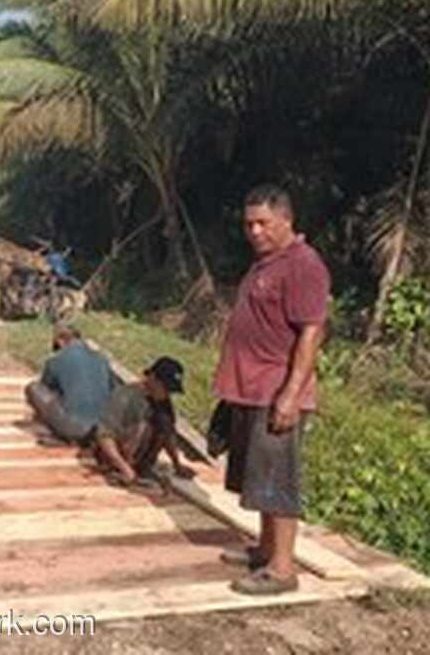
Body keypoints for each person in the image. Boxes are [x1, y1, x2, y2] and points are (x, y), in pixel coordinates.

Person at [213, 184, 330, 597]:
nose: (255, 231)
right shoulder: (265, 264)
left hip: (275, 392)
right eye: (249, 224)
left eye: (263, 223)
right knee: (257, 476)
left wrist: (290, 394)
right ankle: (265, 550)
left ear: (286, 220)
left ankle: (282, 570)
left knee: (278, 481)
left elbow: (312, 333)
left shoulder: (303, 264)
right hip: (250, 390)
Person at [93, 356, 195, 487]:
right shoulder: (125, 396)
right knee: (143, 424)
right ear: (152, 378)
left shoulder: (163, 402)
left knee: (162, 420)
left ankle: (141, 466)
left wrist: (177, 464)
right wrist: (124, 468)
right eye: (166, 388)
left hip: (141, 465)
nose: (167, 394)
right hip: (115, 462)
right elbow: (104, 436)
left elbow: (168, 434)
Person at [24, 324, 117, 445]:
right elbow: (114, 389)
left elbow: (45, 391)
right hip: (101, 429)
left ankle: (62, 435)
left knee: (33, 388)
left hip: (74, 428)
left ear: (60, 341)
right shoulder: (102, 359)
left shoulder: (54, 361)